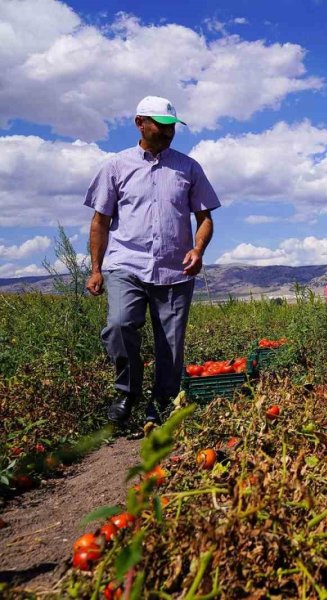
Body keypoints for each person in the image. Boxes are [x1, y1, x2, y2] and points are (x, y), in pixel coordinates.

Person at [84, 95, 221, 428]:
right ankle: (126, 392)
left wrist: (198, 249)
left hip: (176, 269)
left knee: (171, 344)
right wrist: (96, 269)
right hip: (126, 264)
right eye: (161, 126)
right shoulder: (115, 166)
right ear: (140, 123)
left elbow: (205, 218)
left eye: (172, 127)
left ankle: (161, 401)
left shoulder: (189, 167)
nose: (168, 132)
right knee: (119, 324)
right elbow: (100, 221)